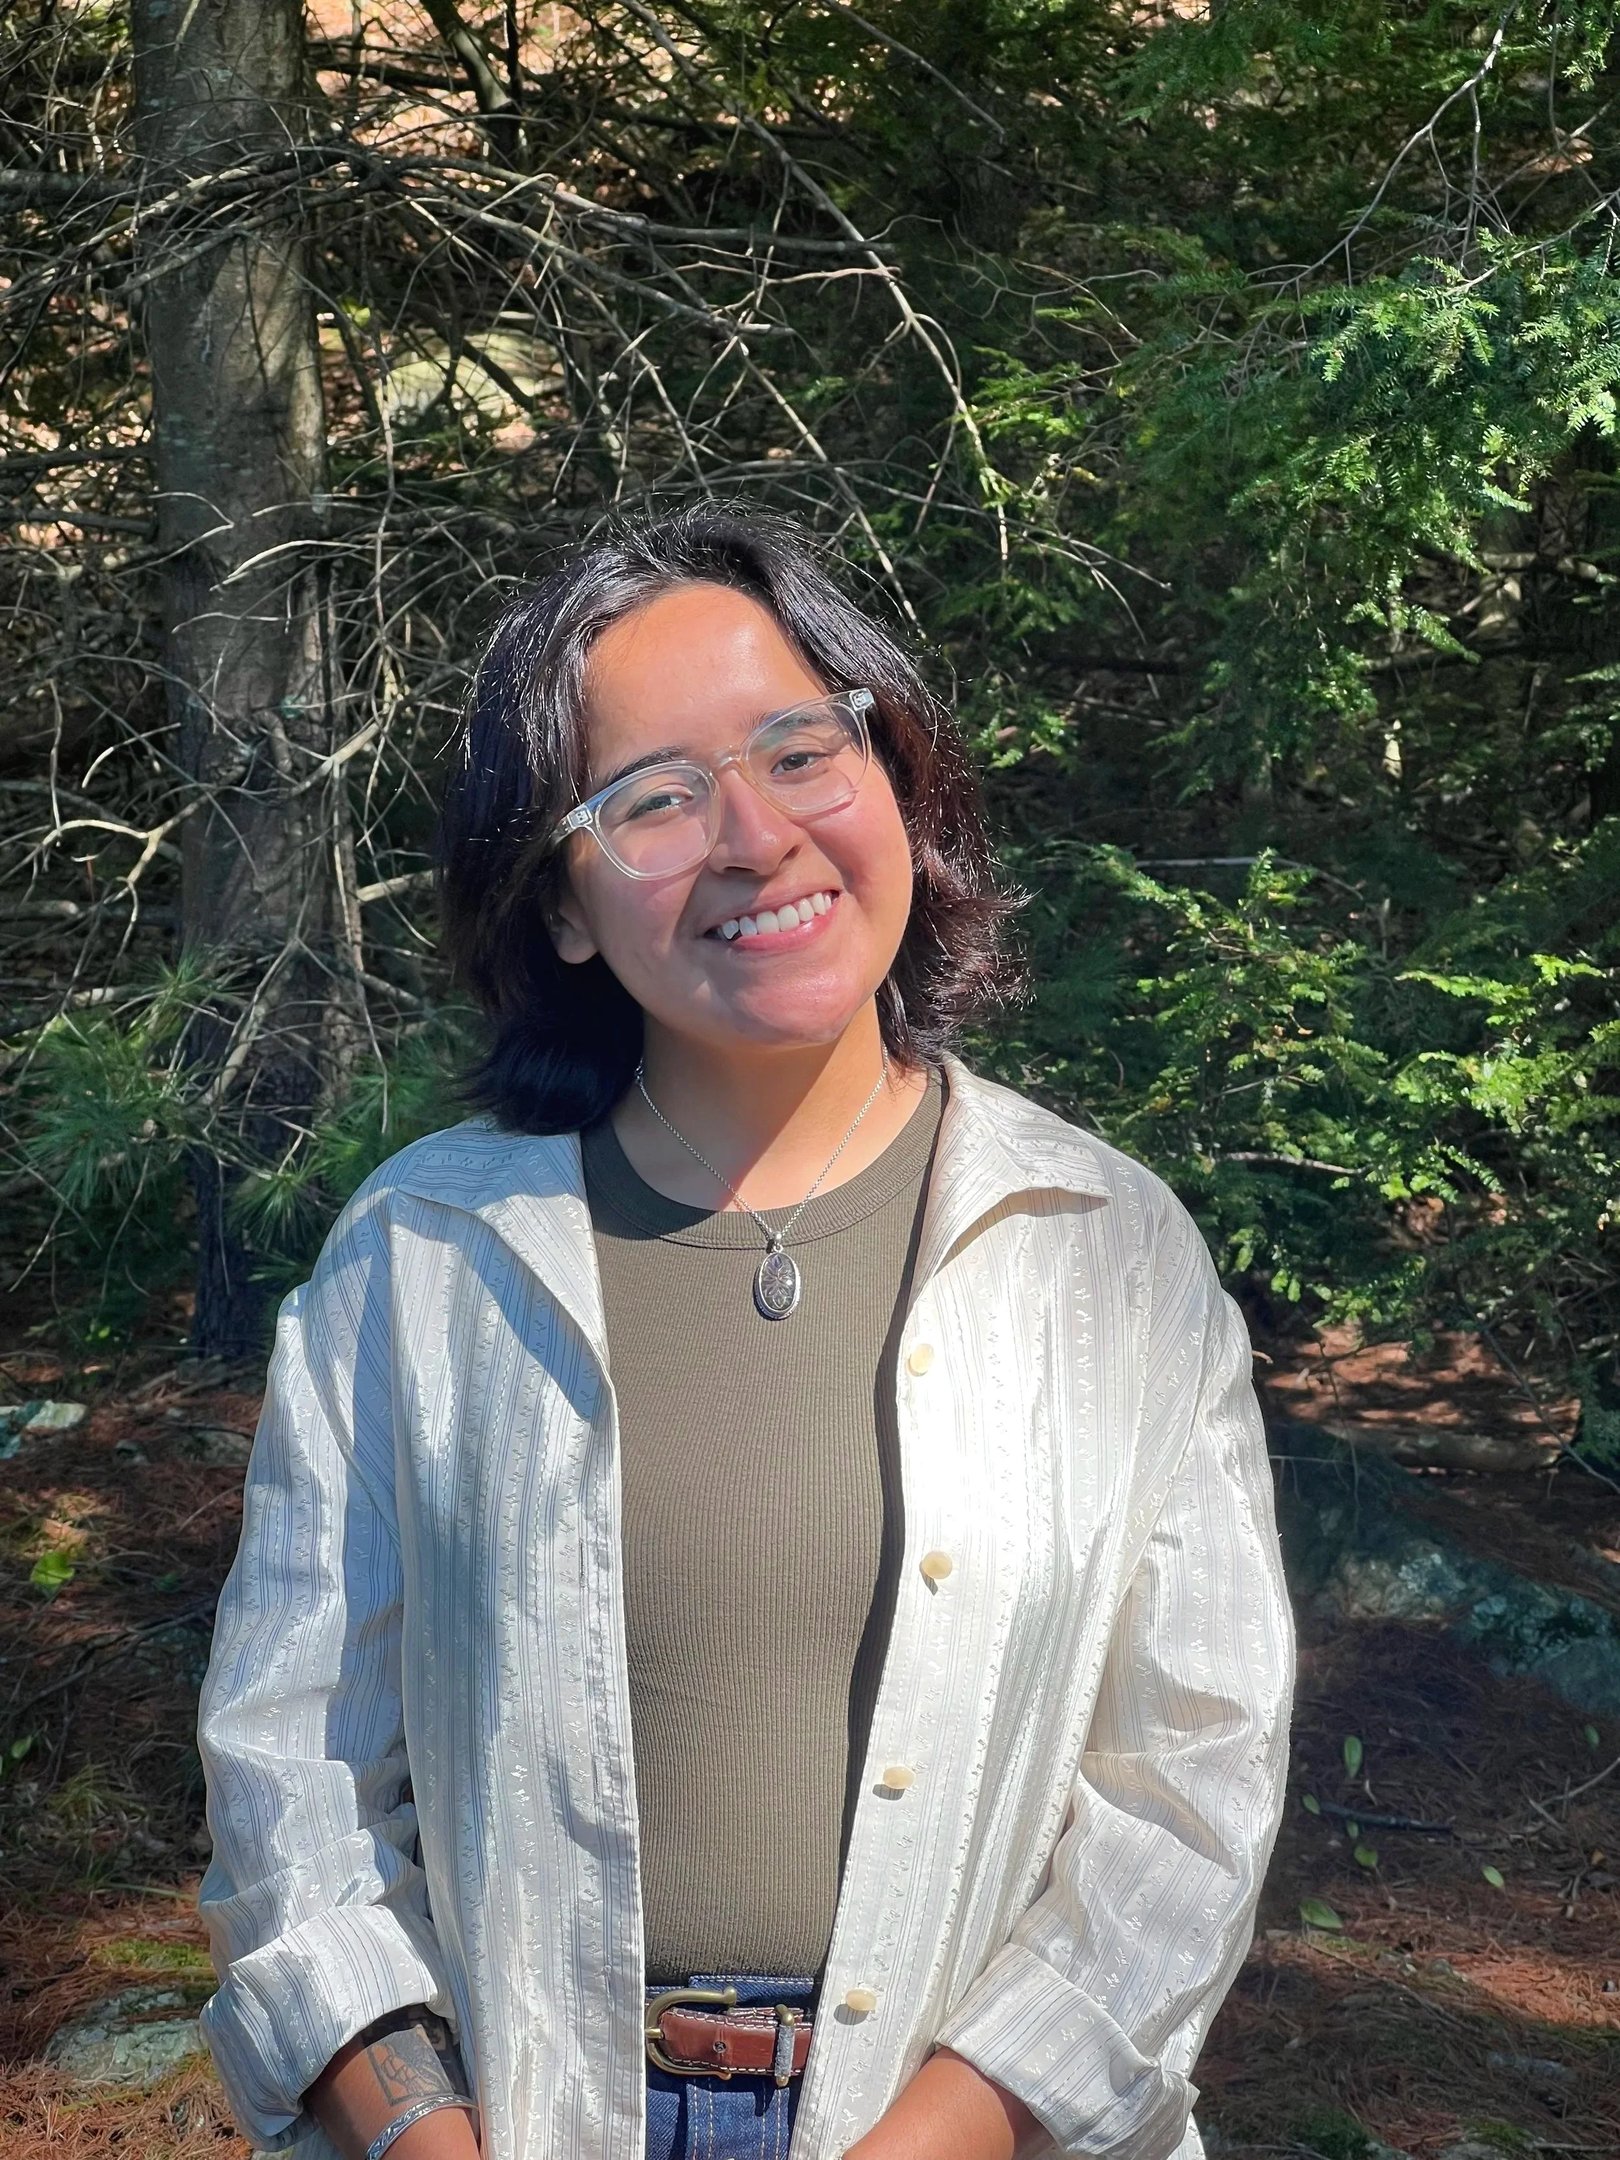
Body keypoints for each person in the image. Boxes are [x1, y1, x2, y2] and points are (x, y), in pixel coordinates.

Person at [195, 505, 1295, 2160]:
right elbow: (289, 1779)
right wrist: (426, 2137)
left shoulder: (1108, 1254)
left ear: (897, 783)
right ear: (560, 905)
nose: (753, 836)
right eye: (650, 797)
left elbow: (1188, 1789)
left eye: (799, 750)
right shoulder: (423, 1261)